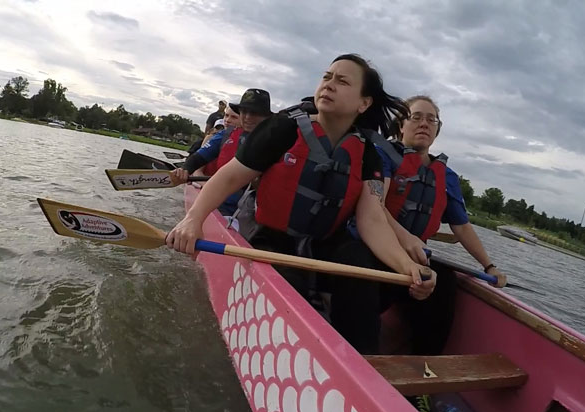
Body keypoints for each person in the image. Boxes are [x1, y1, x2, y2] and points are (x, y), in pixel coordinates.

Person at [166, 54, 435, 354]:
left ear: (363, 103)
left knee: (359, 261)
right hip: (273, 236)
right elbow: (230, 178)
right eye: (327, 77)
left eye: (342, 81)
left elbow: (372, 220)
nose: (329, 85)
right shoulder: (284, 128)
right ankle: (287, 343)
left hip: (324, 244)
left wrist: (407, 266)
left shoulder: (368, 154)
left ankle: (361, 360)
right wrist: (194, 219)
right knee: (286, 278)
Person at [364, 95, 507, 355]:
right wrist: (405, 239)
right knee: (370, 284)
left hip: (416, 257)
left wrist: (489, 265)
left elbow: (462, 227)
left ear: (437, 130)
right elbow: (376, 205)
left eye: (431, 119)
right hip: (376, 247)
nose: (424, 123)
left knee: (444, 284)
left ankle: (423, 373)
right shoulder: (382, 156)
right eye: (416, 117)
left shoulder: (447, 177)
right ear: (401, 126)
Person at [171, 88, 272, 215]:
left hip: (250, 212)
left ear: (266, 117)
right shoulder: (225, 135)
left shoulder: (276, 140)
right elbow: (198, 158)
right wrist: (185, 169)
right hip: (220, 205)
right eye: (244, 112)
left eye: (254, 113)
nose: (247, 117)